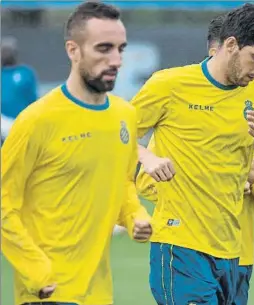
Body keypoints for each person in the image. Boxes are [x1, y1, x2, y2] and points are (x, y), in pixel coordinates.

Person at [135, 13, 254, 305]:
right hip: (180, 246)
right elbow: (115, 134)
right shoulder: (169, 85)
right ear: (231, 44)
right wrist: (145, 156)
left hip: (232, 251)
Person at [1, 2, 152, 305]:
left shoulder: (125, 115)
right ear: (73, 50)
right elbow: (4, 204)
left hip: (99, 293)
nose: (116, 60)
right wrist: (36, 270)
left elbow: (121, 182)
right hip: (47, 293)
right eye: (104, 48)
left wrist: (135, 215)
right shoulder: (36, 121)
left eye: (120, 49)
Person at [1, 36, 38, 142]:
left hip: (22, 122)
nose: (6, 54)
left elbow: (33, 98)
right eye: (4, 51)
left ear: (15, 53)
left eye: (9, 51)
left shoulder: (26, 72)